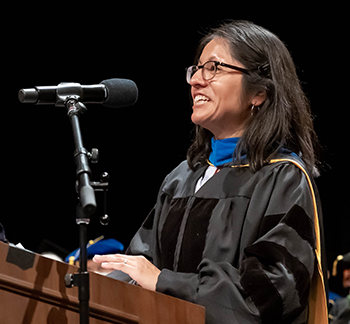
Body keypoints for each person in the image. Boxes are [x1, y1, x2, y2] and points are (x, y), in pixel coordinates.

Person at [93, 20, 328, 324]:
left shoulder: (284, 179)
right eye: (196, 69)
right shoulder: (181, 179)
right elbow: (143, 264)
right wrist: (105, 281)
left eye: (214, 68)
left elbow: (269, 294)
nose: (196, 81)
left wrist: (165, 282)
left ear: (258, 93)